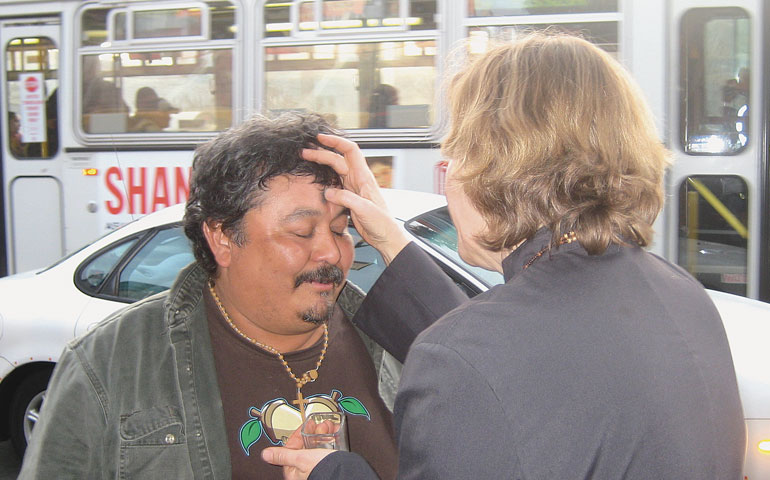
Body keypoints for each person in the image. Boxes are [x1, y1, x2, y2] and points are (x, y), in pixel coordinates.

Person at [263, 32, 746, 479]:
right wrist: (391, 238)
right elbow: (522, 370)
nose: (447, 176)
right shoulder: (680, 293)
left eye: (456, 154)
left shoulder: (470, 356)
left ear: (497, 168)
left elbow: (488, 365)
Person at [17, 112, 398, 479]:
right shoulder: (107, 362)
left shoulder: (397, 341)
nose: (331, 253)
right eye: (301, 232)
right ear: (222, 237)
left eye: (340, 229)